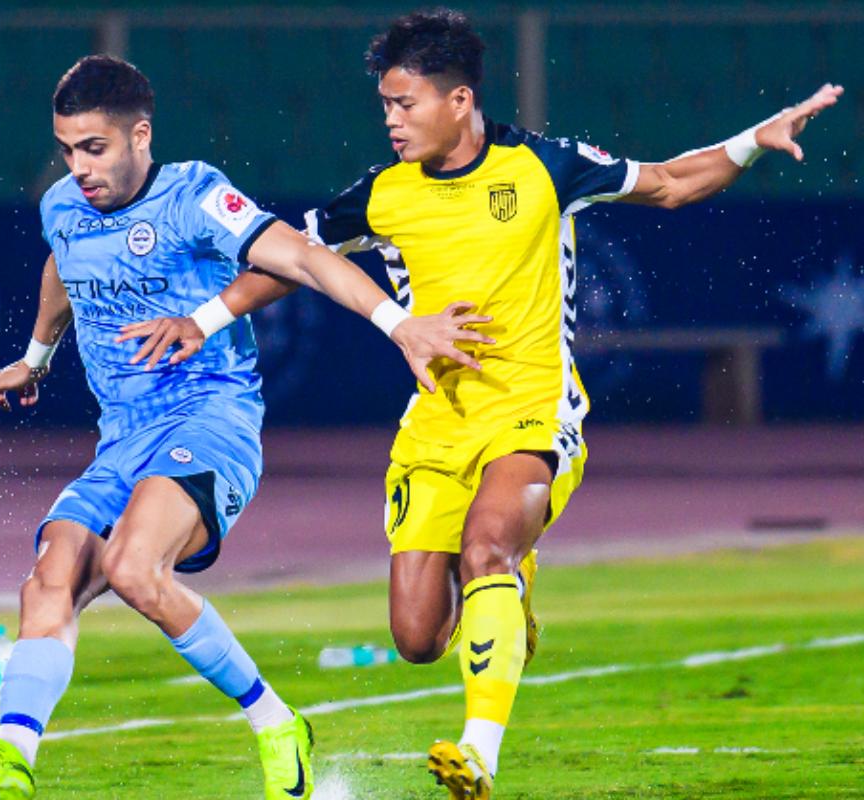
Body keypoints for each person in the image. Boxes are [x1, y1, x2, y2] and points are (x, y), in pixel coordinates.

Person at [125, 10, 843, 798]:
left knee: (488, 549)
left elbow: (671, 184)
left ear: (459, 100)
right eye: (386, 107)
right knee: (418, 637)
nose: (391, 121)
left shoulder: (545, 167)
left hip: (534, 409)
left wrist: (752, 140)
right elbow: (290, 258)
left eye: (406, 104)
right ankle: (510, 600)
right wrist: (203, 319)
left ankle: (478, 750)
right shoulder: (384, 196)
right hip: (438, 426)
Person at [0, 55, 484, 800]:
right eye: (67, 149)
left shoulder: (195, 197)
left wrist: (398, 324)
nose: (78, 167)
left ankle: (278, 724)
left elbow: (305, 259)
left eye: (95, 148)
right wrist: (36, 357)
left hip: (210, 419)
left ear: (139, 135)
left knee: (133, 568)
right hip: (123, 437)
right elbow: (62, 265)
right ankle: (13, 758)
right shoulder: (63, 203)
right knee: (48, 580)